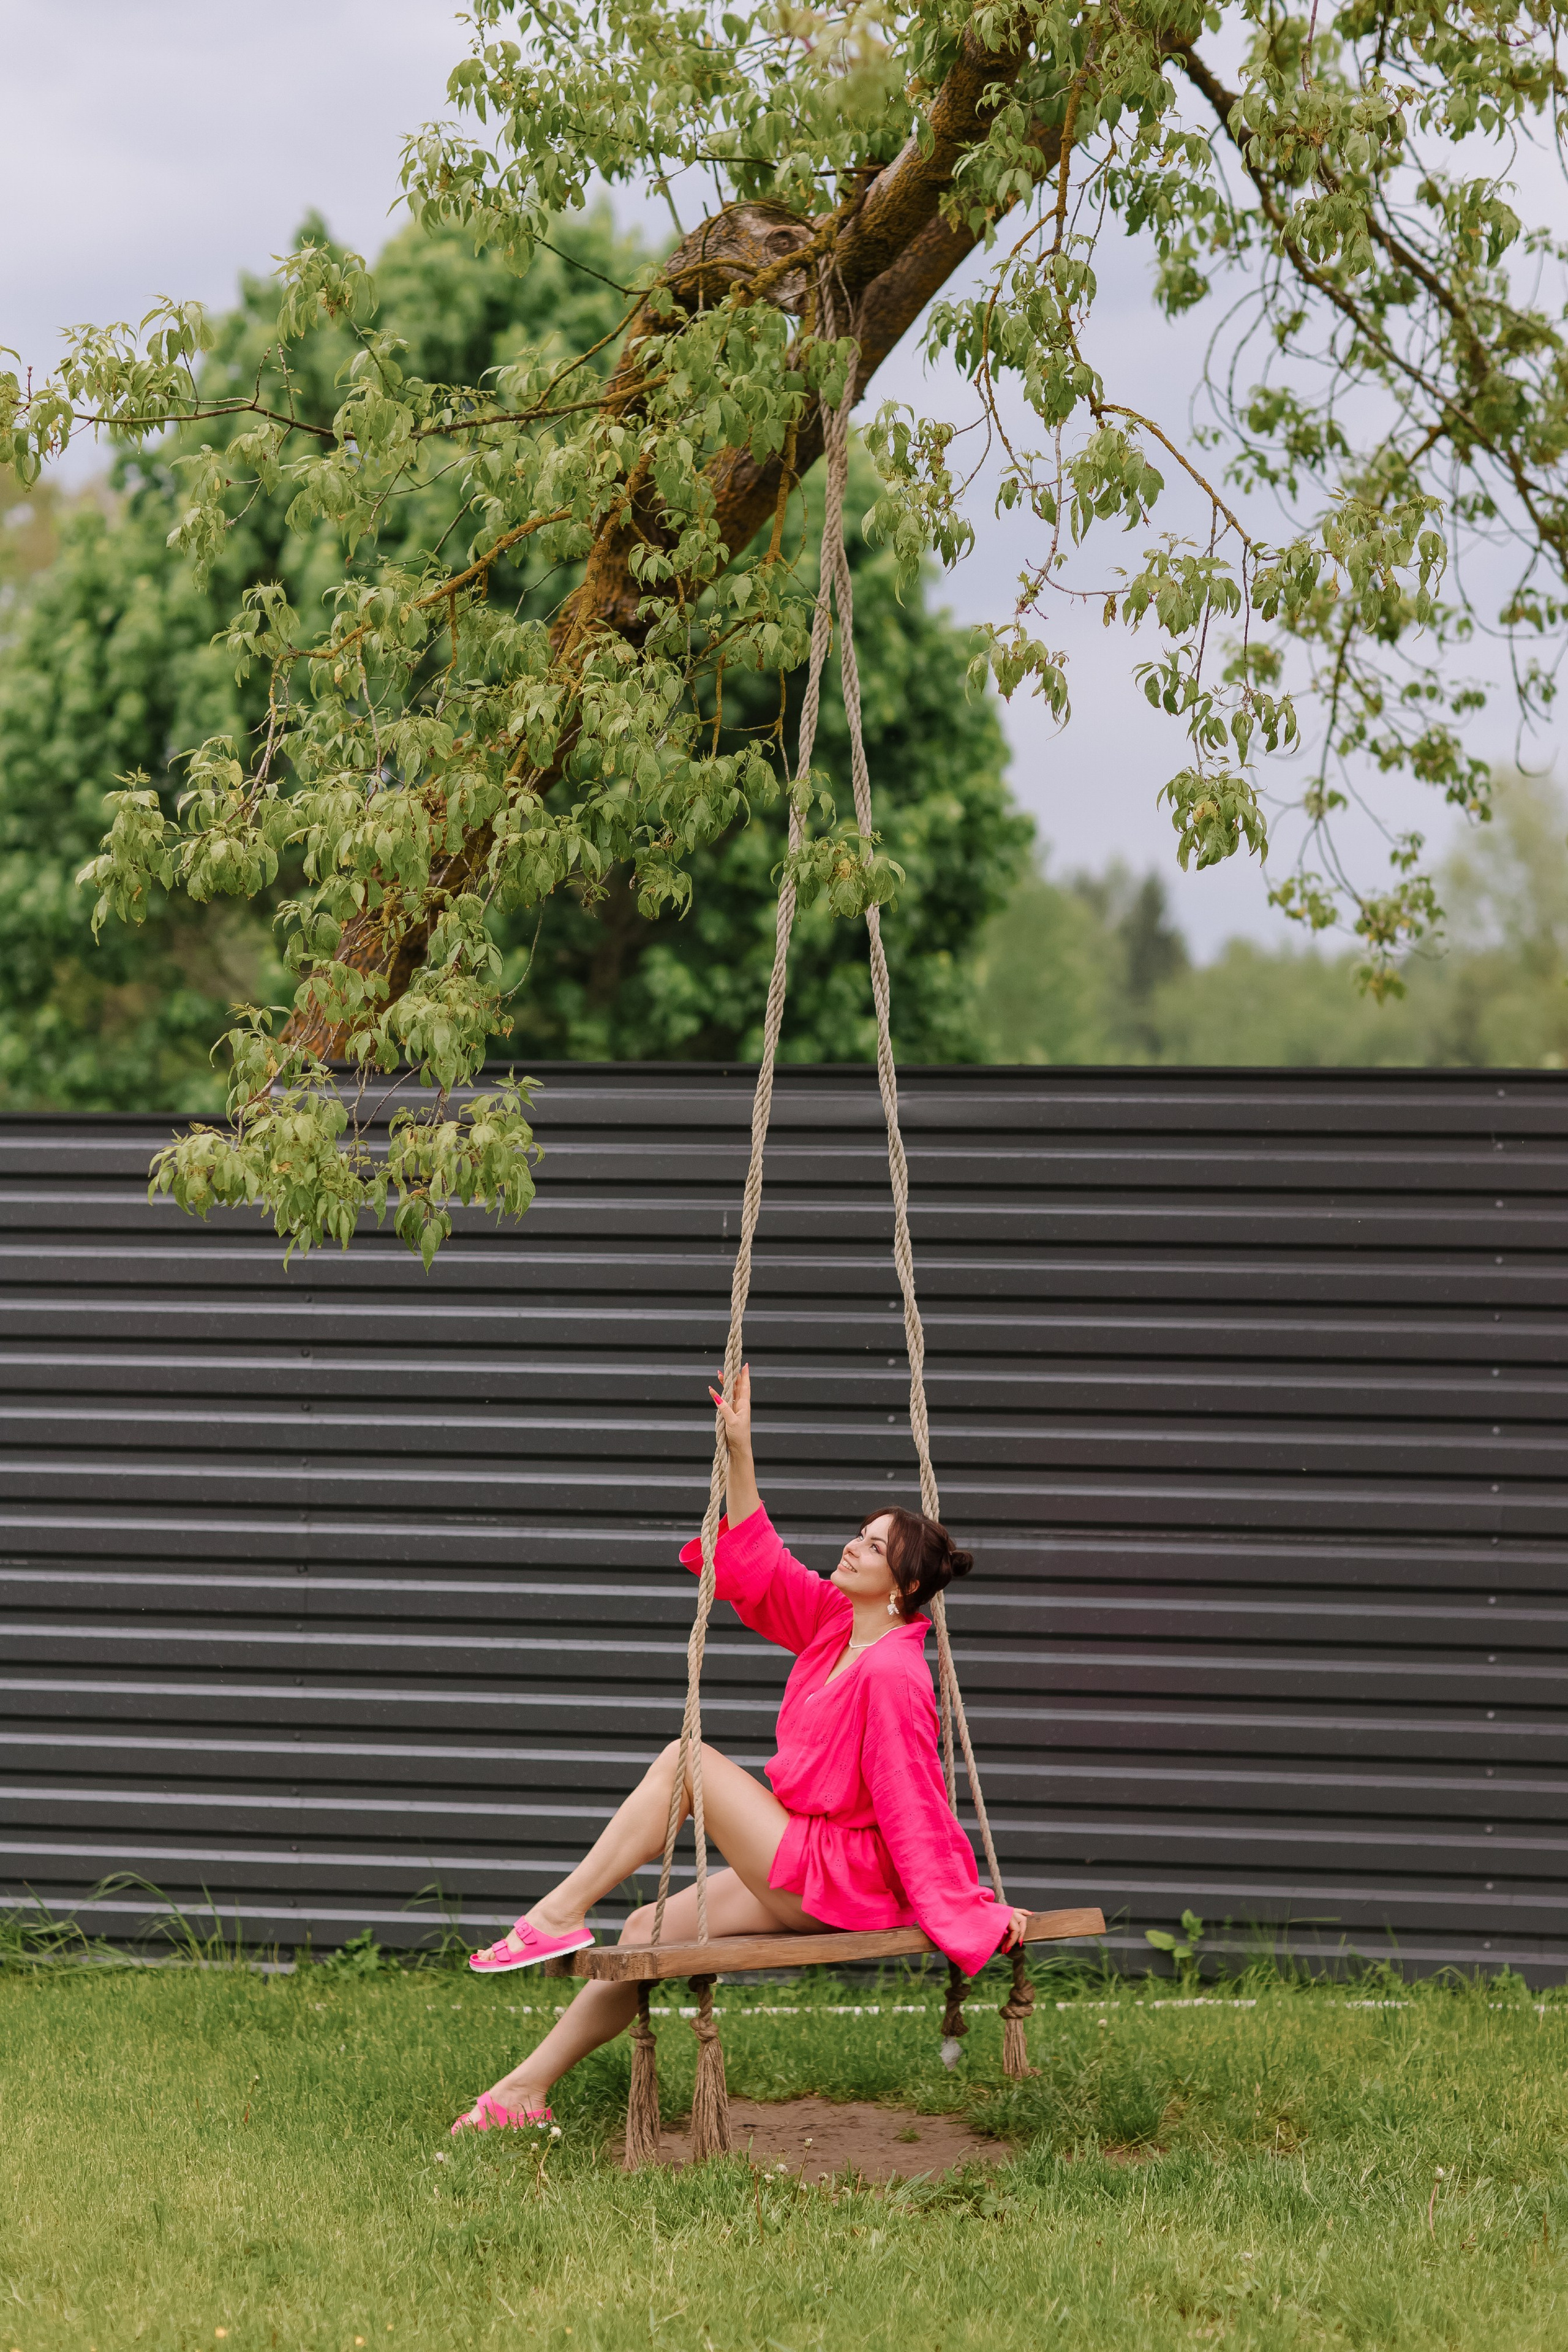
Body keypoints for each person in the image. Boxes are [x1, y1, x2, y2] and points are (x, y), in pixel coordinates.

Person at [451, 1362, 1030, 2132]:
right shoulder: (835, 1627)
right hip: (805, 1860)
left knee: (686, 1760)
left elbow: (914, 1800)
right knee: (642, 1933)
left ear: (902, 1585)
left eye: (872, 1546)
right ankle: (521, 2093)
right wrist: (741, 1448)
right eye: (858, 1535)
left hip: (841, 1877)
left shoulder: (894, 1672)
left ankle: (558, 1912)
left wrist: (967, 1906)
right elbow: (763, 1561)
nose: (851, 1547)